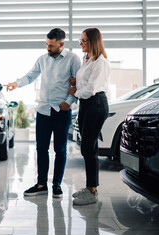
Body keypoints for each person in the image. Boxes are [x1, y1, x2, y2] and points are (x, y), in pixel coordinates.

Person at [5, 28, 81, 198]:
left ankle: (57, 185)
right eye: (46, 44)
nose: (48, 48)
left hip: (61, 111)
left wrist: (68, 103)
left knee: (60, 149)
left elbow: (79, 83)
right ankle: (41, 185)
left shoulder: (73, 59)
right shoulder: (42, 59)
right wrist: (17, 84)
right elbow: (30, 76)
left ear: (61, 44)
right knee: (41, 149)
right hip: (43, 110)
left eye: (51, 45)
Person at [68, 28, 110, 205]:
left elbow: (92, 89)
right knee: (89, 145)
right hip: (86, 105)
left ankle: (92, 191)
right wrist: (76, 82)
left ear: (93, 41)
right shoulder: (87, 59)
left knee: (87, 147)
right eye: (80, 40)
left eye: (84, 40)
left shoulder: (101, 62)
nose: (81, 43)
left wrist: (75, 91)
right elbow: (86, 82)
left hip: (96, 104)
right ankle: (91, 187)